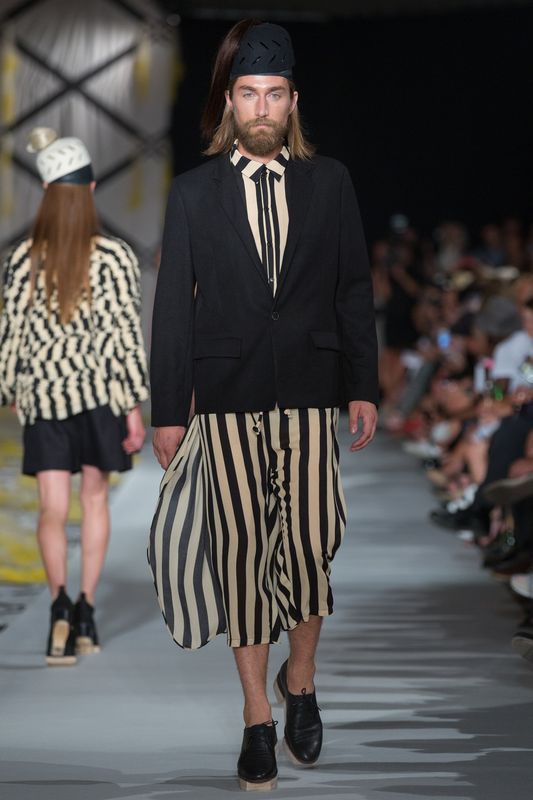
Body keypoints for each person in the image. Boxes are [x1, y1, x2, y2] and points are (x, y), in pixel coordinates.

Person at [150, 20, 378, 792]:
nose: (259, 106)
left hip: (312, 394)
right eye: (247, 93)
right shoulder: (193, 193)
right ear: (229, 101)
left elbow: (352, 288)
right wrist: (167, 408)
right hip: (226, 398)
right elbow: (172, 309)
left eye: (273, 94)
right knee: (243, 556)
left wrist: (362, 382)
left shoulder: (329, 182)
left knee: (312, 547)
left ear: (292, 102)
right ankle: (256, 717)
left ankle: (299, 680)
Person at [0, 127, 150, 666]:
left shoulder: (23, 259)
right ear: (89, 190)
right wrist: (133, 406)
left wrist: (13, 389)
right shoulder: (114, 257)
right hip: (100, 399)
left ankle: (58, 609)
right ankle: (86, 611)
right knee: (94, 501)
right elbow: (122, 337)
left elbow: (11, 335)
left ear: (46, 192)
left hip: (46, 400)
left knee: (51, 508)